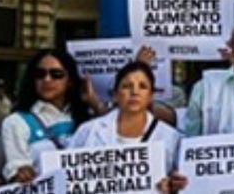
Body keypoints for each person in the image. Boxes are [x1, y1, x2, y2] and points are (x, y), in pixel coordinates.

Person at [70, 62, 185, 193]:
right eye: (127, 86)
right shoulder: (88, 131)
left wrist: (172, 187)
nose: (134, 92)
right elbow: (65, 175)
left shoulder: (171, 138)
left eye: (142, 86)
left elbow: (184, 183)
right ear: (115, 95)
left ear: (150, 96)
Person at [1, 49, 93, 183]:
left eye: (56, 74)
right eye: (40, 74)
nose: (47, 79)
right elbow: (15, 167)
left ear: (70, 80)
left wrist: (94, 103)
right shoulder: (16, 122)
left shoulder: (87, 118)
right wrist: (21, 173)